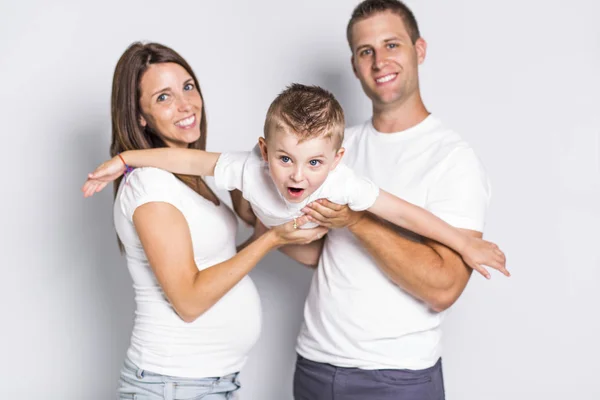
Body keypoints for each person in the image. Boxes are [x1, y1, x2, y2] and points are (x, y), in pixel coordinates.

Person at [284, 1, 504, 399]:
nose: (379, 60)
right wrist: (256, 209)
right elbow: (322, 252)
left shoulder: (452, 159)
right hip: (315, 366)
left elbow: (443, 287)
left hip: (396, 377)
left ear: (419, 50)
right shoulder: (338, 146)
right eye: (365, 51)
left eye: (392, 45)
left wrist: (355, 220)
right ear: (354, 65)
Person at [83, 84, 507, 280]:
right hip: (266, 221)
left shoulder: (341, 182)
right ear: (264, 150)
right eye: (285, 159)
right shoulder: (249, 167)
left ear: (337, 159)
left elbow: (402, 211)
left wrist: (465, 243)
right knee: (243, 207)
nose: (299, 175)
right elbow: (186, 157)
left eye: (314, 162)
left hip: (306, 235)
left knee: (334, 242)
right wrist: (124, 159)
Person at [95, 42, 326, 400]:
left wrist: (275, 225)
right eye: (163, 97)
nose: (186, 104)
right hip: (173, 384)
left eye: (188, 87)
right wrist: (271, 240)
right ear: (140, 116)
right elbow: (188, 300)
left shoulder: (203, 178)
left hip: (209, 382)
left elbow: (214, 265)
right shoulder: (149, 184)